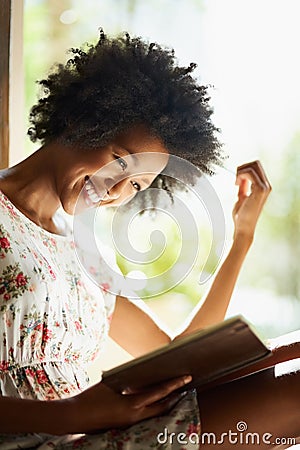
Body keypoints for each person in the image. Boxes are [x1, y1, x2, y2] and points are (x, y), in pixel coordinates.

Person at [0, 30, 299, 450]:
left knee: (290, 376)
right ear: (83, 118)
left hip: (83, 439)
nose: (116, 191)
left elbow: (179, 356)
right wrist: (68, 413)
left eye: (137, 185)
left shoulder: (82, 253)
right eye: (119, 160)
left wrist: (242, 237)